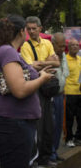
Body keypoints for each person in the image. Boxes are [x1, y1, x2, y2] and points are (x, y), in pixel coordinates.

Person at [0, 15, 53, 168]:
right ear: (21, 32)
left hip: (14, 122)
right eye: (26, 29)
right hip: (13, 123)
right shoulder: (8, 52)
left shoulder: (7, 52)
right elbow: (20, 90)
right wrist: (42, 78)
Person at [20, 16, 59, 168]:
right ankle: (36, 160)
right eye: (28, 29)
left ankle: (46, 158)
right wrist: (47, 62)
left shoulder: (47, 43)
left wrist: (40, 63)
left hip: (49, 89)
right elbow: (30, 67)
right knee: (39, 126)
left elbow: (56, 63)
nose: (31, 31)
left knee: (49, 124)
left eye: (33, 28)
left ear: (40, 29)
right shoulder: (25, 46)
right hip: (36, 88)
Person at [50, 33, 69, 162]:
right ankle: (50, 153)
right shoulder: (50, 56)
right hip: (51, 97)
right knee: (51, 126)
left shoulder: (63, 57)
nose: (62, 48)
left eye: (64, 46)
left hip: (61, 95)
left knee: (58, 126)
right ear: (53, 43)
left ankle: (55, 151)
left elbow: (65, 73)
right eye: (60, 46)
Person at [64, 38, 81, 147]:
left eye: (76, 45)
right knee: (69, 119)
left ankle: (78, 137)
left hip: (80, 93)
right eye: (72, 45)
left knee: (80, 118)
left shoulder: (80, 59)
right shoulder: (64, 60)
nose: (75, 47)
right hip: (69, 93)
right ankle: (68, 138)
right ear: (68, 47)